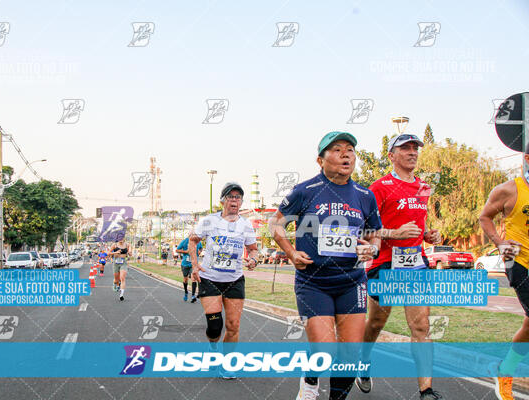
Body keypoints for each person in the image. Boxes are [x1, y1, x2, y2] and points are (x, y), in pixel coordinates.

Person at [269, 131, 382, 400]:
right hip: (313, 282)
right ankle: (309, 381)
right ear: (320, 160)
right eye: (337, 149)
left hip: (352, 281)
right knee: (324, 349)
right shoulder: (305, 191)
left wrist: (372, 247)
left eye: (350, 150)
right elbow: (276, 223)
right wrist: (291, 252)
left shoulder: (364, 195)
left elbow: (374, 232)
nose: (346, 154)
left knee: (350, 352)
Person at [356, 133, 443, 400]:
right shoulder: (378, 187)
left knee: (420, 326)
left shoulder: (424, 187)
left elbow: (420, 220)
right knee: (377, 321)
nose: (412, 152)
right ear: (392, 155)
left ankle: (426, 390)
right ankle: (363, 359)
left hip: (415, 264)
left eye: (415, 148)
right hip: (385, 263)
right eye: (405, 148)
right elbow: (366, 229)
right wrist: (395, 233)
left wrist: (429, 235)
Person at [190, 182, 259, 380]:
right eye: (231, 196)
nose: (235, 200)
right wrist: (195, 265)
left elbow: (253, 248)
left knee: (233, 324)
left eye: (238, 197)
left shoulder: (245, 224)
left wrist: (253, 259)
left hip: (234, 280)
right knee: (214, 325)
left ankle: (227, 364)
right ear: (222, 201)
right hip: (210, 278)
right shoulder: (209, 221)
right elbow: (193, 240)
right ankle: (213, 348)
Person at [479, 142, 529, 400]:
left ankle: (504, 370)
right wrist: (499, 243)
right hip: (520, 262)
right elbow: (485, 216)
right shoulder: (509, 190)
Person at [177, 236, 202, 302]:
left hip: (193, 264)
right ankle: (186, 292)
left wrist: (199, 251)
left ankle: (193, 296)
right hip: (185, 264)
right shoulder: (184, 241)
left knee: (194, 278)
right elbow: (177, 250)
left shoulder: (198, 242)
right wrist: (186, 251)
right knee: (185, 279)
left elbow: (201, 248)